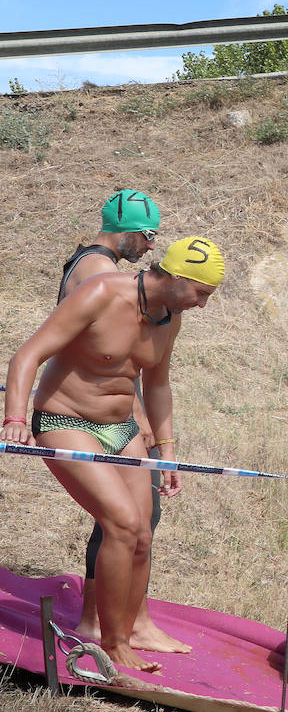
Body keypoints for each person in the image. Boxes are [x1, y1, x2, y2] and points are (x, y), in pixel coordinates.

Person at [3, 236, 224, 672]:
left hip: (121, 427)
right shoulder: (101, 293)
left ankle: (134, 629)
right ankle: (112, 641)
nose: (202, 305)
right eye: (201, 293)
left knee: (142, 531)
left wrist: (168, 452)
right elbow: (28, 354)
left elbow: (157, 385)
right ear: (178, 278)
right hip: (66, 421)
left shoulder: (168, 317)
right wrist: (14, 417)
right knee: (121, 524)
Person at [55, 190, 178, 651]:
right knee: (123, 520)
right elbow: (103, 352)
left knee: (133, 519)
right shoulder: (101, 273)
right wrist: (140, 415)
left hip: (114, 411)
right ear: (126, 231)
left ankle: (125, 620)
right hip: (87, 415)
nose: (149, 248)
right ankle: (102, 621)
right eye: (147, 237)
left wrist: (139, 411)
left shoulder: (88, 264)